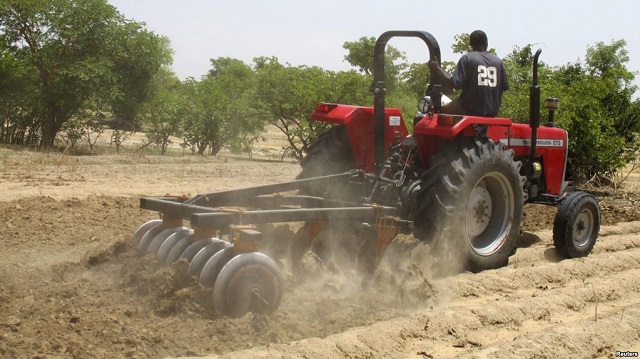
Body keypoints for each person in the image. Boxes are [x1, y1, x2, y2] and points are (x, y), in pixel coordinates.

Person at [428, 30, 509, 117]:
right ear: (486, 43)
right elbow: (503, 87)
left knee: (438, 111)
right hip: (492, 111)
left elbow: (454, 84)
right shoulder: (497, 61)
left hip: (468, 108)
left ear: (471, 44)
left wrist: (437, 68)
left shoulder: (467, 59)